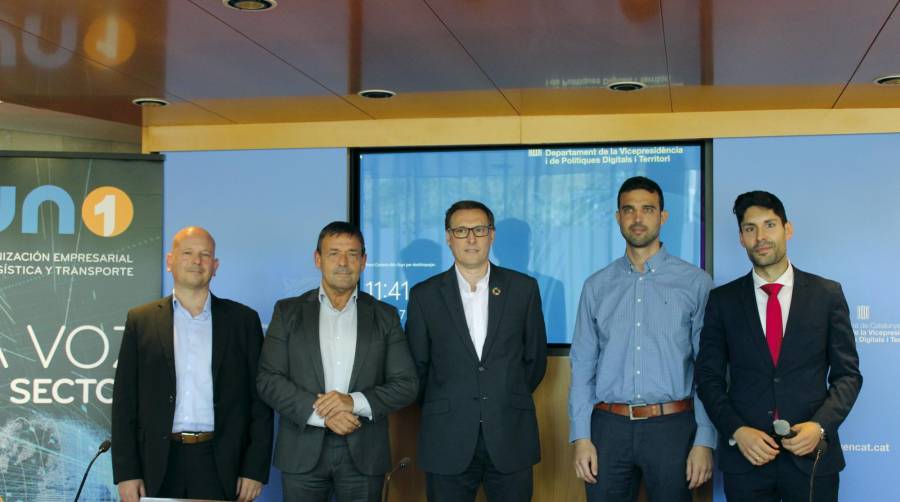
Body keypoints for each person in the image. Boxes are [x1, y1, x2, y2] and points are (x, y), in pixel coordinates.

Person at [696, 190, 862, 501]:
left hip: (813, 457)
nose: (760, 236)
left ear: (787, 229)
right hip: (747, 459)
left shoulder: (827, 294)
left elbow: (848, 376)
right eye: (750, 228)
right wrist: (736, 430)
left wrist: (820, 426)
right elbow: (707, 378)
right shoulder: (723, 301)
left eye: (769, 225)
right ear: (741, 238)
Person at [568, 176, 716, 501]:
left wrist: (704, 440)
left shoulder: (696, 284)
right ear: (618, 217)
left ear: (662, 217)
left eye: (647, 209)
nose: (638, 218)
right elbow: (582, 367)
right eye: (629, 210)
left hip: (673, 427)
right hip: (607, 427)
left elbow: (709, 370)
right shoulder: (596, 286)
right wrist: (581, 437)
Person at [256, 221, 418, 502]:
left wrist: (352, 402)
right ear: (317, 259)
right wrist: (325, 414)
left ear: (364, 261)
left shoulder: (385, 316)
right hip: (301, 451)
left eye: (352, 254)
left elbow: (407, 384)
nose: (343, 262)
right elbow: (269, 380)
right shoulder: (288, 312)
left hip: (364, 454)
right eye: (334, 253)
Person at [111, 226, 273, 502]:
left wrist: (254, 469)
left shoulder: (243, 321)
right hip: (158, 462)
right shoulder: (141, 320)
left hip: (222, 461)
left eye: (205, 254)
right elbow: (125, 401)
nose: (196, 261)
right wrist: (126, 472)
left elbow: (260, 402)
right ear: (170, 261)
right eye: (187, 253)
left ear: (216, 265)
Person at [406, 200, 548, 502]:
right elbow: (416, 368)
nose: (471, 238)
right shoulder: (424, 295)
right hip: (447, 437)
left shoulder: (523, 289)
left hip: (510, 434)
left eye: (479, 230)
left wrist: (504, 394)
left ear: (491, 235)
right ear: (448, 237)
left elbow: (534, 361)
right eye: (461, 230)